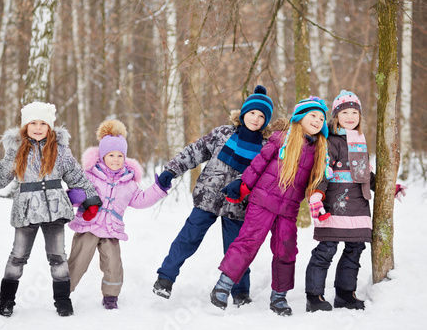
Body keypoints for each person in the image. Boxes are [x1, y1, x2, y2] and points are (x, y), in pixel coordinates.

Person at [153, 85, 274, 307]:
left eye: (261, 116)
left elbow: (264, 178)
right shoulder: (223, 134)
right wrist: (171, 170)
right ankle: (165, 279)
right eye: (252, 113)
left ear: (265, 121)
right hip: (207, 198)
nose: (255, 118)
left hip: (238, 206)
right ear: (244, 112)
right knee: (187, 238)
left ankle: (240, 292)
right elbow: (194, 151)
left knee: (236, 249)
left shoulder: (266, 147)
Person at [210, 96, 331, 316]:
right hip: (262, 202)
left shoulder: (319, 153)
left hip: (288, 211)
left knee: (286, 251)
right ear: (300, 117)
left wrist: (318, 202)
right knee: (248, 242)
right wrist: (244, 185)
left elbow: (316, 183)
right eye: (313, 115)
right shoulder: (281, 139)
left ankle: (279, 297)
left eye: (322, 118)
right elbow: (258, 164)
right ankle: (223, 285)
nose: (317, 120)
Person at [0, 102, 102, 317]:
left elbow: (76, 176)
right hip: (26, 210)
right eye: (33, 123)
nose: (38, 127)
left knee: (57, 256)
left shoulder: (61, 151)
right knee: (18, 256)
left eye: (43, 123)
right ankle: (7, 300)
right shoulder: (17, 151)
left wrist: (91, 200)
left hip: (54, 210)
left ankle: (63, 301)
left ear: (50, 127)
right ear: (25, 126)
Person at [304, 90, 407, 312]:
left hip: (358, 204)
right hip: (335, 203)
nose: (350, 117)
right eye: (344, 112)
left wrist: (387, 188)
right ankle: (314, 295)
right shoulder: (329, 142)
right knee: (327, 248)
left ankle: (344, 293)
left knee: (355, 248)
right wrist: (317, 196)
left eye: (354, 112)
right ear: (335, 116)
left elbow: (364, 175)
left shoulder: (360, 140)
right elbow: (322, 172)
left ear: (360, 116)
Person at [66, 119, 169, 310]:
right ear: (103, 156)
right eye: (111, 155)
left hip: (111, 229)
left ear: (125, 157)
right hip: (88, 226)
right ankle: (64, 291)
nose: (115, 159)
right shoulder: (90, 175)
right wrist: (75, 195)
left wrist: (159, 188)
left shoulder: (128, 182)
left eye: (120, 155)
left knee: (113, 264)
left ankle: (111, 296)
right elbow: (75, 195)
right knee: (78, 261)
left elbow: (141, 199)